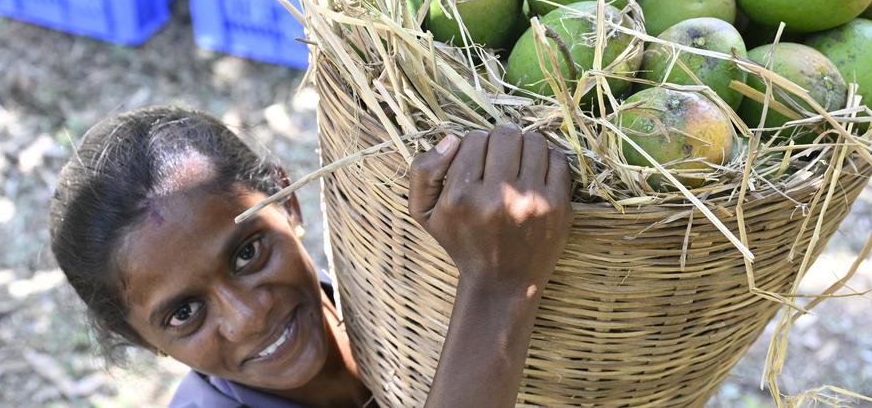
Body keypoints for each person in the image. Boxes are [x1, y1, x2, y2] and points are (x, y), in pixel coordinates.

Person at [49, 105, 573, 407]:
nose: (249, 316)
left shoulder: (402, 297)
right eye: (184, 313)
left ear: (288, 199)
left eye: (248, 253)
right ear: (143, 341)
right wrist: (498, 289)